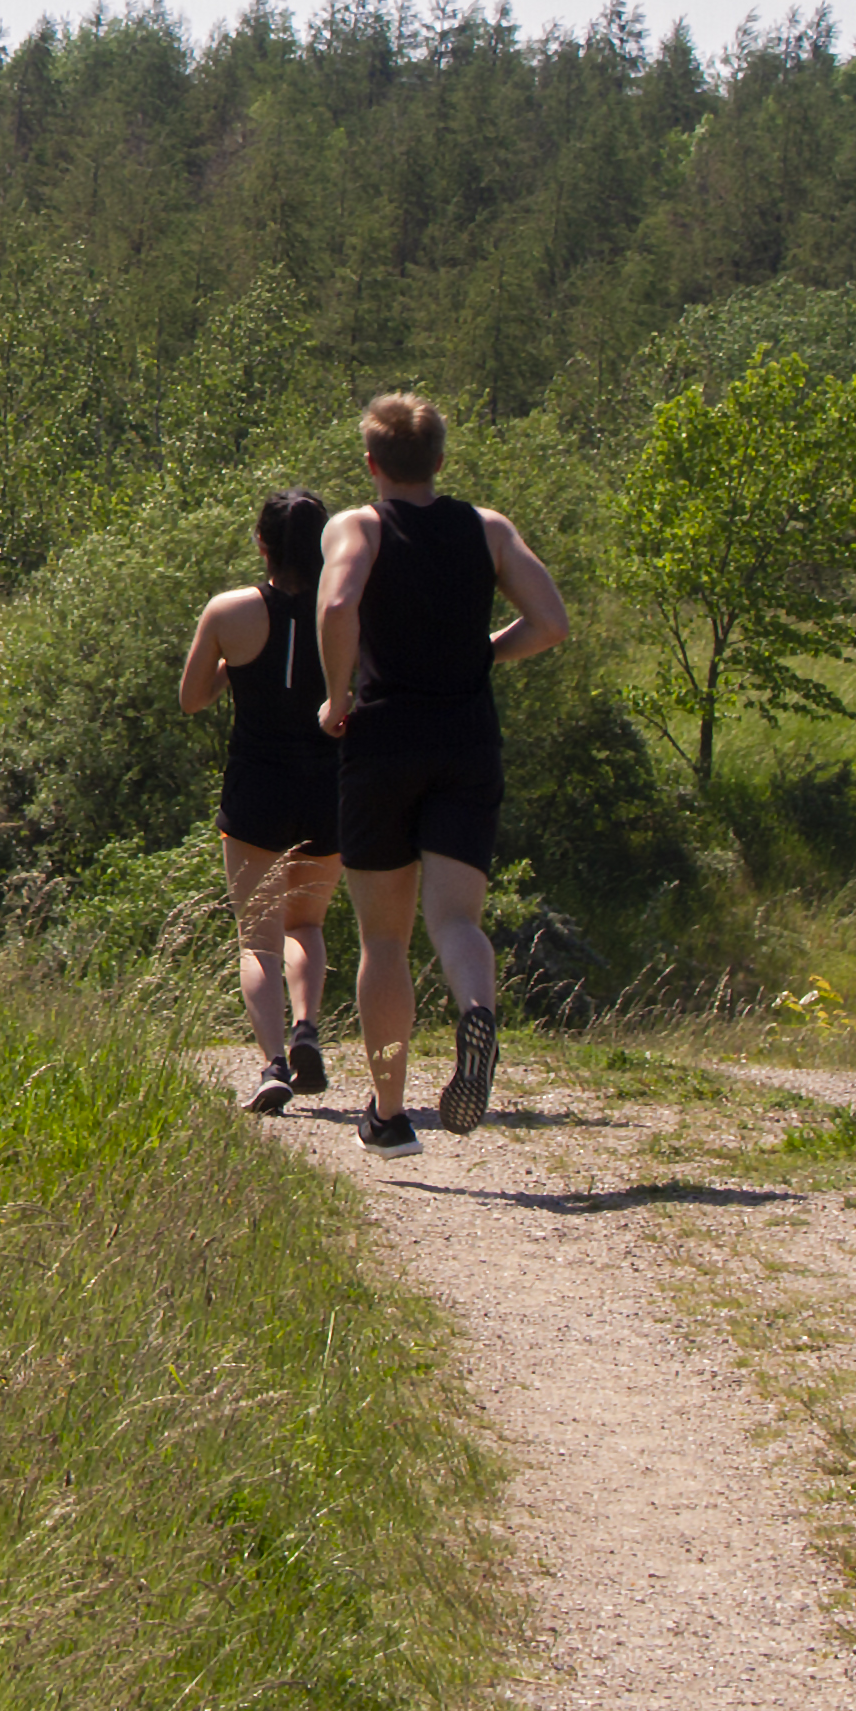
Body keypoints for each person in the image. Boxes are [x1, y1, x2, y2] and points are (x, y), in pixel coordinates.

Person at [316, 393, 571, 1152]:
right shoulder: (486, 528)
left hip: (385, 736)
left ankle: (389, 1115)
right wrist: (484, 651)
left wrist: (336, 698)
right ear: (440, 461)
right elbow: (551, 622)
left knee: (383, 941)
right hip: (467, 739)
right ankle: (475, 1009)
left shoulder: (358, 525)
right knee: (457, 920)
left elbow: (336, 603)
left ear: (371, 464)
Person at [180, 489, 348, 1115]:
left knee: (258, 940)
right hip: (327, 788)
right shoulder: (346, 608)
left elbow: (192, 699)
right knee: (308, 924)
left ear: (261, 543)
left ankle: (274, 1063)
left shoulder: (229, 611)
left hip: (256, 789)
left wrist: (232, 665)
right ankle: (308, 1028)